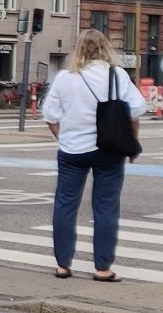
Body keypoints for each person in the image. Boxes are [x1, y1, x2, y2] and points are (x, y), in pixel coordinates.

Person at [40, 27, 146, 282]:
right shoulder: (117, 75)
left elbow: (50, 116)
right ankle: (102, 268)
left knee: (65, 205)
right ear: (105, 48)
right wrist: (131, 142)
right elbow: (136, 110)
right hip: (109, 151)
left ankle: (63, 265)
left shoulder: (65, 77)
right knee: (106, 207)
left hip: (71, 152)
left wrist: (64, 138)